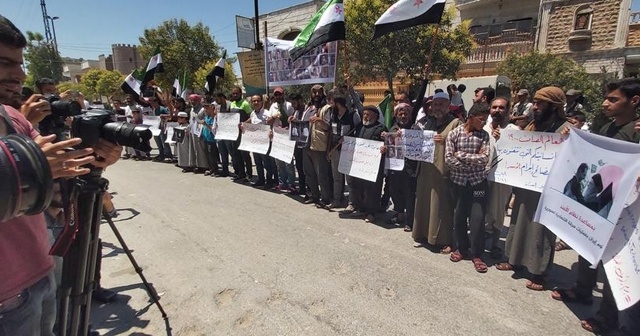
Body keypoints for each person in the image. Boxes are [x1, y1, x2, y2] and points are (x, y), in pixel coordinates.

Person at [0, 14, 122, 335]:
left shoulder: (12, 117)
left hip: (42, 268)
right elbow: (32, 168)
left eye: (20, 64)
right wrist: (30, 164)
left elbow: (58, 180)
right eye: (4, 63)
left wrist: (94, 160)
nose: (19, 75)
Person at [552, 78, 640, 335]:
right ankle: (583, 289)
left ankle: (609, 316)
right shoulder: (609, 126)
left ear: (634, 101)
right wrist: (574, 138)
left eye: (613, 99)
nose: (605, 103)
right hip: (599, 200)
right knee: (587, 243)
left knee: (615, 261)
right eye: (606, 98)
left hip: (625, 211)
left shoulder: (636, 131)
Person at [496, 86, 572, 291]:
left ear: (554, 106)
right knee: (519, 221)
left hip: (548, 190)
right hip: (525, 185)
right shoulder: (532, 125)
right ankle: (514, 260)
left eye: (540, 103)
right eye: (535, 102)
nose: (535, 107)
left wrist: (569, 139)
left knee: (541, 230)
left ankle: (539, 272)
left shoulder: (565, 128)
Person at [412, 92, 463, 253]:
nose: (437, 107)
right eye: (435, 104)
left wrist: (447, 140)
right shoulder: (429, 122)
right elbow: (418, 139)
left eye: (441, 104)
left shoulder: (456, 123)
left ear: (448, 105)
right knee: (424, 203)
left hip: (443, 171)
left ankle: (444, 240)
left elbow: (463, 144)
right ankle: (422, 234)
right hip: (426, 171)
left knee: (442, 207)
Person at [445, 102, 491, 272]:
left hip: (478, 184)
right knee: (459, 218)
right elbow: (449, 159)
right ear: (471, 117)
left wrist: (462, 156)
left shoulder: (484, 136)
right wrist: (472, 161)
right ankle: (462, 249)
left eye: (486, 120)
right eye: (481, 119)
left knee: (477, 220)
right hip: (458, 184)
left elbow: (485, 158)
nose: (484, 123)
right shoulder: (454, 134)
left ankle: (477, 254)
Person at [483, 97, 519, 259]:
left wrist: (504, 137)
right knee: (481, 209)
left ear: (508, 110)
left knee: (498, 212)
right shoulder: (483, 127)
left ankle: (496, 244)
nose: (497, 110)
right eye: (494, 107)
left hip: (501, 179)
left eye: (501, 108)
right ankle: (480, 237)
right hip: (481, 176)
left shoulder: (515, 130)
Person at [344, 105, 386, 222]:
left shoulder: (381, 128)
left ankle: (371, 212)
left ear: (375, 116)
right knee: (359, 187)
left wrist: (384, 148)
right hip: (360, 165)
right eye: (364, 114)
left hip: (374, 166)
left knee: (372, 190)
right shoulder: (360, 127)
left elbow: (387, 144)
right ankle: (361, 209)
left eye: (368, 114)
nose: (365, 116)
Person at [385, 103, 416, 231]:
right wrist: (384, 146)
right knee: (394, 192)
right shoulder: (392, 129)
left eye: (405, 113)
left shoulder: (415, 129)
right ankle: (399, 215)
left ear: (409, 114)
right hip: (394, 168)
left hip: (409, 168)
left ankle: (410, 221)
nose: (403, 116)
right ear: (396, 115)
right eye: (400, 114)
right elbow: (388, 146)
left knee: (409, 194)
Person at [327, 94, 361, 209]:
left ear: (338, 104)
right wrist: (329, 150)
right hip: (335, 149)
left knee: (349, 179)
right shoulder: (333, 115)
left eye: (332, 103)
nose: (330, 106)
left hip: (348, 150)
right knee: (336, 177)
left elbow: (359, 132)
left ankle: (352, 203)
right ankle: (337, 200)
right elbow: (331, 133)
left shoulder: (353, 115)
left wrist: (348, 139)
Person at [302, 85, 333, 208]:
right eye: (314, 93)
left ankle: (325, 199)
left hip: (319, 145)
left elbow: (329, 127)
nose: (316, 95)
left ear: (323, 93)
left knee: (322, 174)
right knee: (309, 173)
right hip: (306, 144)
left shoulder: (326, 108)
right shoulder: (308, 107)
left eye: (319, 92)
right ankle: (314, 196)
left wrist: (320, 120)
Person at [246, 95, 277, 188]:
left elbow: (271, 123)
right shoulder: (252, 113)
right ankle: (261, 179)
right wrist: (243, 124)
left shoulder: (266, 113)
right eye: (254, 101)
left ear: (261, 102)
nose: (256, 103)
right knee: (258, 162)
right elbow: (251, 121)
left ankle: (270, 181)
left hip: (265, 142)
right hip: (255, 142)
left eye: (258, 101)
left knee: (267, 162)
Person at [268, 87, 295, 191]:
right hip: (276, 137)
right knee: (279, 163)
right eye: (276, 95)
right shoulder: (273, 107)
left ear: (283, 95)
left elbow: (293, 119)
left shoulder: (288, 106)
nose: (278, 97)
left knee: (288, 162)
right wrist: (274, 117)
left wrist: (289, 124)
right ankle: (282, 183)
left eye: (280, 95)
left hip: (287, 136)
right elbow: (268, 122)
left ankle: (291, 184)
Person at [229, 86, 253, 183]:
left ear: (240, 93)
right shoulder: (232, 104)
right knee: (236, 153)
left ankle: (249, 174)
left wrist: (244, 124)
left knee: (245, 154)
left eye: (236, 93)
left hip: (243, 133)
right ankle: (241, 173)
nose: (235, 95)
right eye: (233, 93)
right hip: (234, 133)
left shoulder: (245, 104)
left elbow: (252, 116)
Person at [287, 93, 307, 196]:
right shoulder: (295, 111)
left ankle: (310, 189)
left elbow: (308, 124)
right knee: (299, 167)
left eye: (294, 103)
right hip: (297, 144)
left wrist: (298, 121)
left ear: (300, 100)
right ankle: (302, 188)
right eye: (292, 104)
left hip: (305, 145)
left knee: (306, 168)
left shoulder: (308, 110)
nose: (293, 106)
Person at [187, 94, 209, 173]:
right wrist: (188, 128)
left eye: (194, 100)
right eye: (191, 100)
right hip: (192, 131)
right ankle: (193, 164)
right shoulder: (192, 109)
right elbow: (191, 120)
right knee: (193, 148)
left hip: (200, 131)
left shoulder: (202, 109)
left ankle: (203, 166)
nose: (192, 102)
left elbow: (204, 120)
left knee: (200, 148)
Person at [147, 96, 172, 162]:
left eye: (153, 103)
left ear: (156, 102)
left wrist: (164, 116)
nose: (152, 105)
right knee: (158, 141)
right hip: (156, 128)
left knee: (164, 141)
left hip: (163, 127)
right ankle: (161, 154)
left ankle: (168, 155)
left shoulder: (162, 109)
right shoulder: (153, 110)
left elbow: (170, 115)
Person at [213, 92, 233, 177]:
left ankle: (238, 171)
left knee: (231, 152)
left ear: (221, 97)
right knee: (222, 152)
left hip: (229, 132)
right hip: (220, 132)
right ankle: (225, 170)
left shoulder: (230, 104)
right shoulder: (217, 106)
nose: (216, 101)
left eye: (217, 99)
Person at [201, 99, 220, 176]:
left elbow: (212, 129)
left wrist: (205, 124)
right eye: (204, 108)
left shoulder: (214, 118)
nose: (205, 110)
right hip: (206, 138)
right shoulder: (206, 116)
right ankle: (211, 168)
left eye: (207, 108)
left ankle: (215, 170)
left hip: (212, 140)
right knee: (208, 155)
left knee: (213, 156)